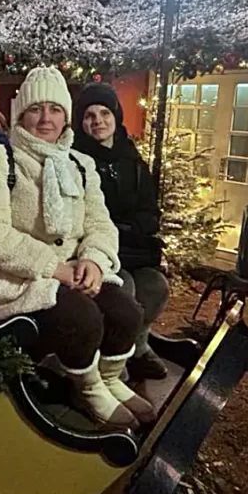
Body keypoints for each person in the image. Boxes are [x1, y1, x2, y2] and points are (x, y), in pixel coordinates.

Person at [0, 66, 154, 429]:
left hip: (75, 270)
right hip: (22, 279)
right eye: (36, 109)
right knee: (82, 319)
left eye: (55, 109)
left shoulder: (81, 164)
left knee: (126, 312)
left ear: (65, 117)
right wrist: (55, 268)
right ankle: (86, 388)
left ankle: (109, 378)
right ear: (20, 115)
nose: (46, 119)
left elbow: (100, 224)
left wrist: (94, 261)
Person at [73, 82, 169, 380]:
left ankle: (138, 346)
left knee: (155, 286)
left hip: (133, 249)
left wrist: (133, 227)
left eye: (105, 113)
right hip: (100, 251)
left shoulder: (133, 161)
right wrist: (117, 229)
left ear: (116, 116)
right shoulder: (76, 159)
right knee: (123, 289)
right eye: (89, 115)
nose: (98, 121)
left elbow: (149, 210)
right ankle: (111, 358)